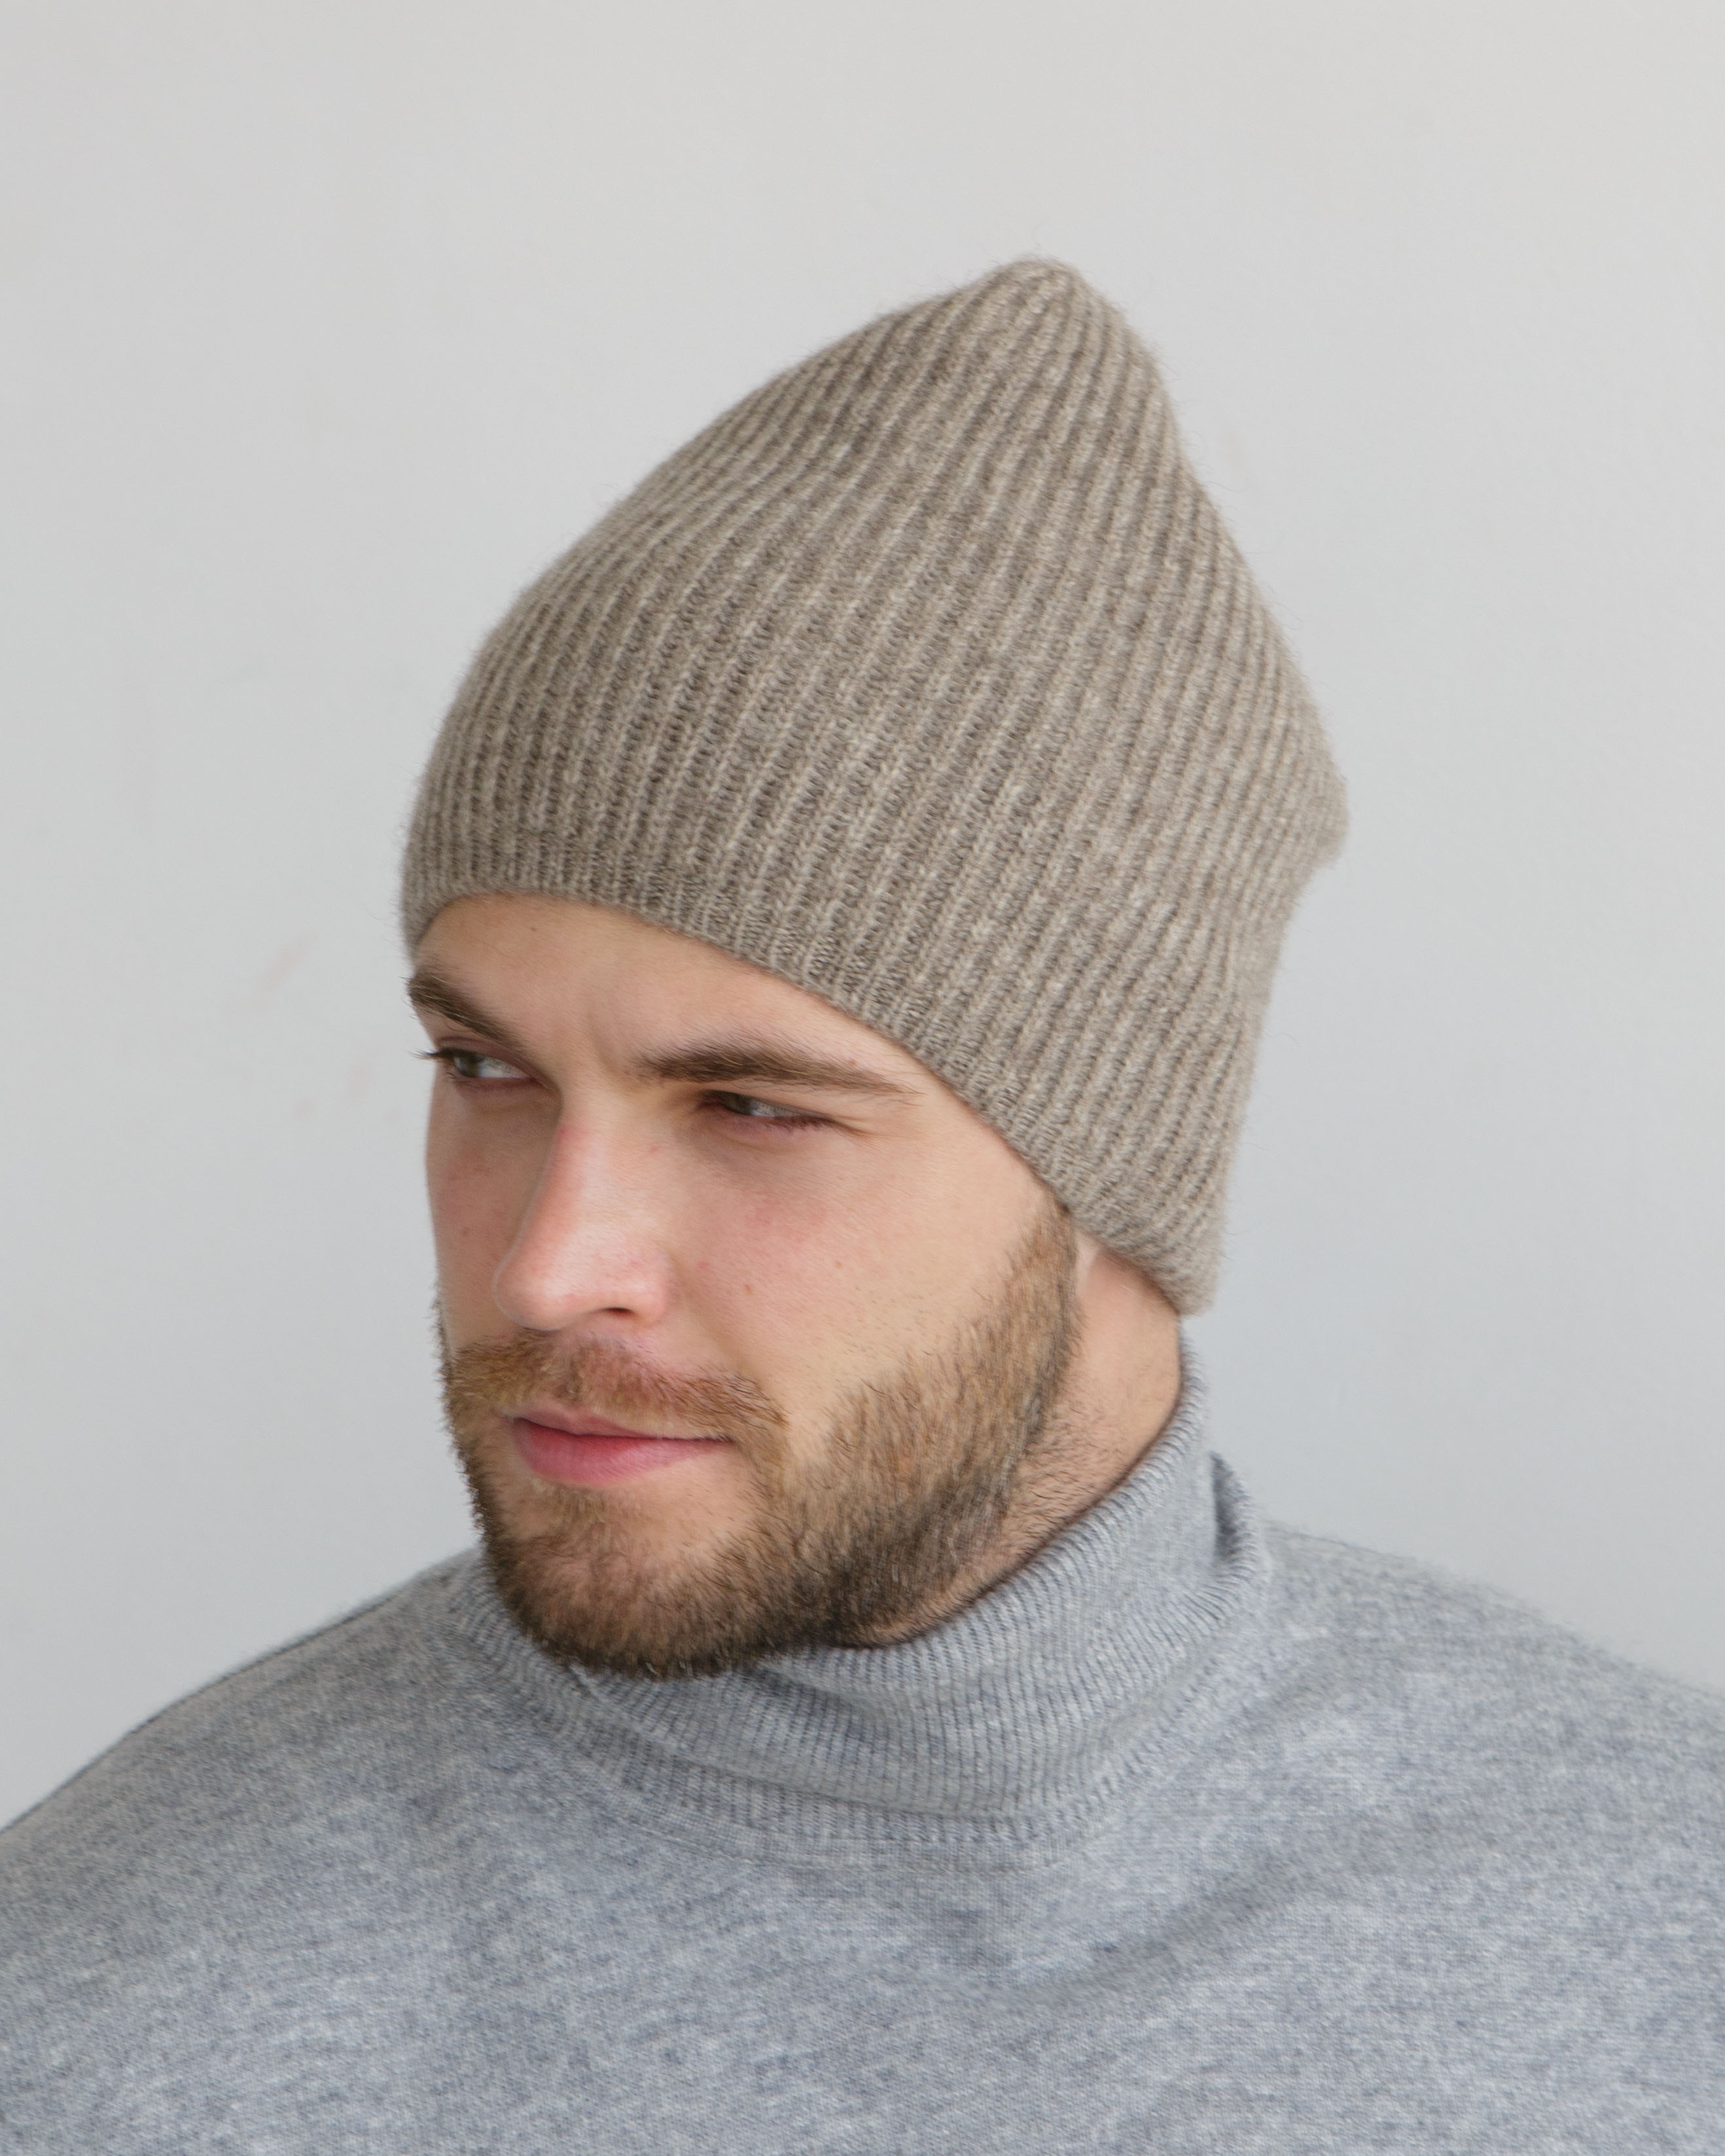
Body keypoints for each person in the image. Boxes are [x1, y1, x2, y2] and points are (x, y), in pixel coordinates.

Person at [3, 260, 1720, 2153]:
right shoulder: (103, 2026)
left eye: (749, 1107)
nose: (548, 1265)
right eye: (486, 1069)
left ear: (1118, 1172)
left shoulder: (1655, 1943)